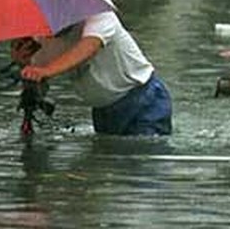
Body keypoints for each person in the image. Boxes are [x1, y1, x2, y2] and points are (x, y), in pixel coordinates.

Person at [11, 10, 172, 136]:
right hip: (101, 110)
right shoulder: (43, 40)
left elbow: (90, 46)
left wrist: (45, 70)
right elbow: (39, 84)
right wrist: (24, 63)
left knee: (143, 160)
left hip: (143, 100)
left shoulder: (99, 16)